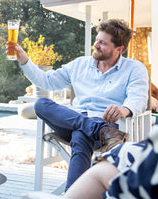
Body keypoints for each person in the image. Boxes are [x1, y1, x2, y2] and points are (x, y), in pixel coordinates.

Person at [12, 19, 149, 191]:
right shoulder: (79, 65)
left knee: (80, 135)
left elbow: (139, 98)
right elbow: (47, 81)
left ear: (119, 49)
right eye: (97, 40)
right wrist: (24, 60)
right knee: (41, 104)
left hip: (108, 123)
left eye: (102, 43)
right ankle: (97, 129)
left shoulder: (134, 69)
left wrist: (124, 109)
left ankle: (72, 193)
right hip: (100, 130)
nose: (96, 45)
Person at [62, 125, 158, 199]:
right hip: (81, 119)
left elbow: (139, 98)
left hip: (110, 120)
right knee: (80, 132)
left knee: (80, 135)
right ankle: (98, 127)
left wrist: (126, 108)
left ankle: (96, 127)